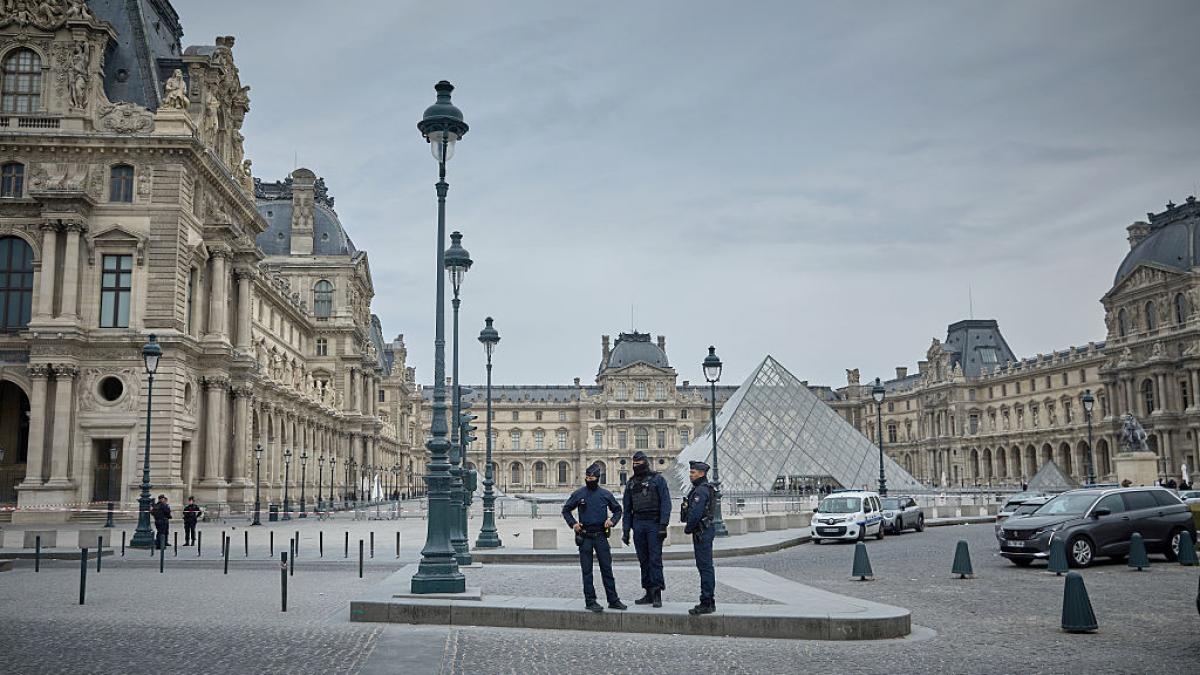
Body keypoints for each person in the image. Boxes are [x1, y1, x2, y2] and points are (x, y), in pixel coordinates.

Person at [562, 463, 626, 612]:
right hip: (585, 536)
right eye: (587, 477)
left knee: (607, 569)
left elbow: (617, 510)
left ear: (598, 478)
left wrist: (612, 521)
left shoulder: (605, 494)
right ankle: (590, 601)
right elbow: (566, 510)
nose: (589, 480)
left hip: (601, 536)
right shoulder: (579, 494)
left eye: (592, 477)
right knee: (587, 571)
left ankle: (613, 600)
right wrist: (573, 524)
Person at [621, 450, 671, 608]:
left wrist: (663, 525)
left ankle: (657, 593)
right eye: (634, 464)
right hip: (638, 523)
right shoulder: (630, 483)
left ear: (646, 463)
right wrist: (626, 530)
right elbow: (627, 508)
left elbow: (666, 504)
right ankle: (648, 591)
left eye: (639, 463)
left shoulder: (658, 480)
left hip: (654, 523)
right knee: (643, 560)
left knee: (655, 559)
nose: (636, 466)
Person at [682, 460, 716, 615]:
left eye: (693, 472)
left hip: (702, 532)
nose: (690, 475)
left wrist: (688, 528)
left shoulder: (700, 491)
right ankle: (709, 600)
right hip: (705, 531)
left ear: (701, 473)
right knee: (705, 566)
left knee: (705, 567)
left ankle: (706, 601)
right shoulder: (703, 488)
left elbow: (695, 513)